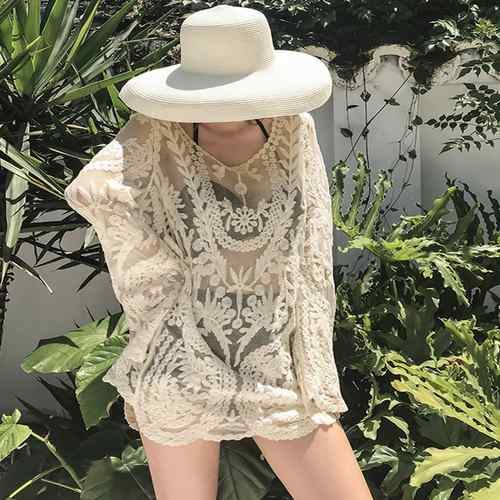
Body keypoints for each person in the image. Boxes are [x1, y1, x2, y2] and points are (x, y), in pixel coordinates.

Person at [64, 5, 373, 500]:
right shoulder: (153, 132)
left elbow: (311, 250)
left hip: (274, 360)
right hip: (180, 356)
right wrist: (163, 269)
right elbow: (90, 191)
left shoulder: (293, 127)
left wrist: (313, 367)